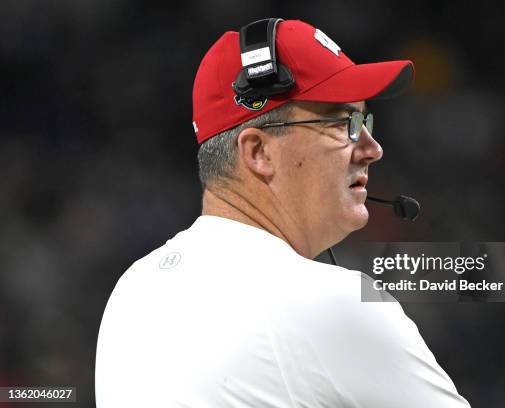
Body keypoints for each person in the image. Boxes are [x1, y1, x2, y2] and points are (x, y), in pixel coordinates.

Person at [95, 18, 470, 407]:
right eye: (344, 124)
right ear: (258, 152)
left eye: (364, 120)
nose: (372, 148)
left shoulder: (133, 290)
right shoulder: (333, 306)